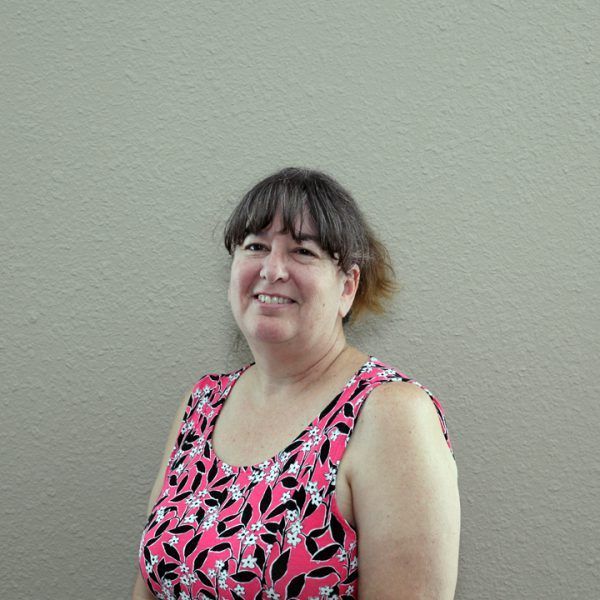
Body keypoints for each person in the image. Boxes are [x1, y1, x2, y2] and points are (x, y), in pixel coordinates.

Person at [132, 167, 460, 599]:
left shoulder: (391, 414)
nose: (272, 270)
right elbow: (149, 583)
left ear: (348, 287)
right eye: (255, 246)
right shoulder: (203, 403)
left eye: (302, 251)